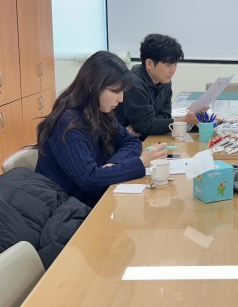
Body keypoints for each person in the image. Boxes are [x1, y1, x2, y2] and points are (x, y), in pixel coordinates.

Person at [35, 51, 167, 207]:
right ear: (93, 86)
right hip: (64, 209)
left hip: (87, 201)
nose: (121, 99)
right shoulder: (69, 124)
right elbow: (90, 180)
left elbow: (132, 141)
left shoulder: (99, 111)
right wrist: (140, 162)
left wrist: (113, 165)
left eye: (122, 92)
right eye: (115, 91)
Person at [115, 34, 200, 139]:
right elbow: (146, 126)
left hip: (147, 137)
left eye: (175, 64)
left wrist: (149, 124)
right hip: (125, 140)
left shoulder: (164, 80)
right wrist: (183, 120)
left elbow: (165, 115)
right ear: (149, 64)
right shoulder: (134, 85)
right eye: (168, 65)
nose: (173, 70)